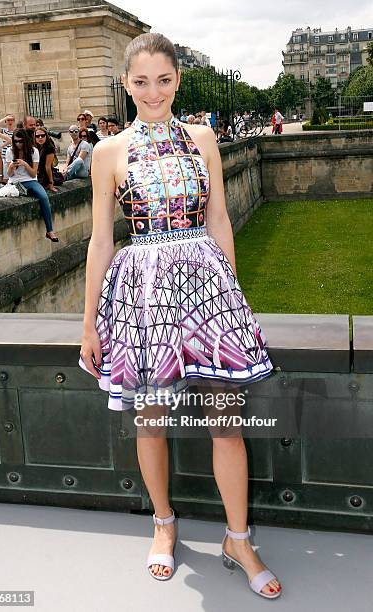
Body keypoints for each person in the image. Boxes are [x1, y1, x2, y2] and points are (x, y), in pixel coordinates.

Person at [78, 32, 282, 599]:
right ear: (126, 84)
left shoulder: (203, 138)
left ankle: (239, 540)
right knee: (151, 421)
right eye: (141, 81)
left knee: (227, 423)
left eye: (163, 80)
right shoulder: (108, 152)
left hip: (206, 290)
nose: (153, 92)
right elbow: (100, 241)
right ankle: (163, 525)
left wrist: (232, 296)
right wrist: (89, 322)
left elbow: (218, 217)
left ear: (177, 81)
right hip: (142, 297)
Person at [6, 128, 59, 241]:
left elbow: (33, 173)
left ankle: (50, 230)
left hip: (30, 181)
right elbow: (9, 175)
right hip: (14, 182)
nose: (18, 144)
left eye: (20, 141)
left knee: (44, 197)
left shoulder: (33, 151)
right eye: (16, 141)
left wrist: (25, 164)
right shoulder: (10, 151)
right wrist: (11, 166)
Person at [34, 126, 58, 193]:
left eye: (42, 135)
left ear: (46, 136)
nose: (40, 138)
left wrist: (51, 183)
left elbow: (48, 167)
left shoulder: (49, 148)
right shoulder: (35, 147)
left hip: (44, 177)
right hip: (36, 175)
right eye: (37, 136)